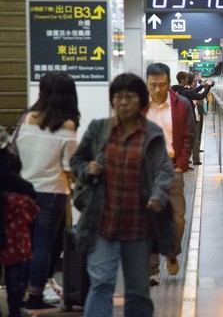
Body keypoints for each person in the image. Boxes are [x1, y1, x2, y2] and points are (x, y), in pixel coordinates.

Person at [70, 73, 175, 317]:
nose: (123, 102)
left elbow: (163, 170)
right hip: (102, 221)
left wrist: (158, 195)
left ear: (141, 101)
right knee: (101, 283)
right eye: (118, 97)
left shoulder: (152, 133)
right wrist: (87, 169)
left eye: (129, 97)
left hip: (139, 226)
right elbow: (77, 159)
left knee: (138, 291)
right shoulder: (99, 129)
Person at [13, 72, 79, 311]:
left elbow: (14, 153)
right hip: (52, 192)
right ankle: (36, 294)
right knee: (43, 245)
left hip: (24, 191)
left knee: (24, 244)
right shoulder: (67, 125)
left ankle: (18, 292)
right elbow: (70, 166)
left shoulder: (26, 118)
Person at [144, 63, 195, 285]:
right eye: (153, 85)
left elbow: (188, 136)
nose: (157, 89)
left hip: (173, 167)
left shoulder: (181, 105)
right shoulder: (139, 107)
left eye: (162, 85)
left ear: (168, 83)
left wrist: (181, 164)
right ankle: (152, 269)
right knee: (148, 220)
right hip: (146, 171)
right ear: (147, 83)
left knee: (177, 219)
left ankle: (172, 252)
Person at [0, 126, 38, 317]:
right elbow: (33, 213)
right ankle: (15, 311)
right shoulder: (22, 200)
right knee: (14, 280)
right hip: (16, 246)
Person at [171, 71, 214, 166]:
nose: (188, 80)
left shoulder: (175, 89)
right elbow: (201, 96)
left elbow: (191, 93)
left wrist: (202, 86)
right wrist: (208, 86)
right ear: (182, 80)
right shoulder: (184, 91)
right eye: (186, 78)